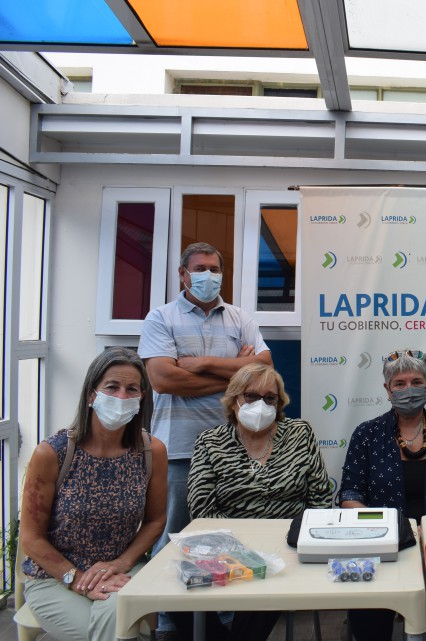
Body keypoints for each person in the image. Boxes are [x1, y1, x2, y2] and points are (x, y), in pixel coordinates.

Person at [138, 242, 271, 638]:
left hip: (233, 447)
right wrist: (235, 373)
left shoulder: (239, 318)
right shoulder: (161, 317)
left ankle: (226, 616)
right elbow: (163, 379)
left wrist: (204, 364)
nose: (208, 275)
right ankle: (166, 619)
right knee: (173, 534)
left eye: (214, 268)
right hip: (179, 447)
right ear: (183, 274)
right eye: (199, 268)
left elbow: (263, 368)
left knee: (228, 537)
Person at [168, 363, 333, 641]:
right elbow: (202, 510)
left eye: (270, 398)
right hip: (226, 549)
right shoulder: (210, 442)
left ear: (279, 403)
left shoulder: (300, 434)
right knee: (175, 598)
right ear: (234, 400)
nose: (261, 404)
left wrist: (293, 544)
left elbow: (320, 501)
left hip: (286, 549)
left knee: (265, 584)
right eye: (251, 396)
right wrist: (243, 551)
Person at [20, 347, 168, 641]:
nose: (122, 397)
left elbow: (155, 520)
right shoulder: (52, 453)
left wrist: (120, 563)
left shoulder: (151, 452)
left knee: (116, 617)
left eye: (131, 389)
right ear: (91, 394)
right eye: (112, 387)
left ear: (141, 398)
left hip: (124, 570)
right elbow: (31, 538)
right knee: (121, 630)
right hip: (54, 577)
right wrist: (75, 578)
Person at [340, 348, 426, 641]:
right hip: (382, 541)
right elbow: (349, 494)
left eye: (416, 382)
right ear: (387, 390)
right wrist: (388, 530)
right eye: (399, 384)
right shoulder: (367, 434)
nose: (408, 389)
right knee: (368, 613)